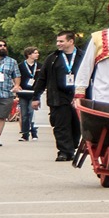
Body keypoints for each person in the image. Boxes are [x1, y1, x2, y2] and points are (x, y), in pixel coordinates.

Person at [32, 31, 85, 161]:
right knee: (61, 124)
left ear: (71, 41)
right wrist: (35, 97)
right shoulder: (52, 58)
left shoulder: (83, 57)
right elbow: (42, 78)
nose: (58, 44)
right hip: (58, 96)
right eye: (57, 41)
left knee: (76, 124)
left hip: (78, 95)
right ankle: (63, 151)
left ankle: (72, 147)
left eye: (61, 41)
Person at [16, 46, 40, 141]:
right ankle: (25, 134)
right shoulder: (20, 66)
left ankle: (34, 133)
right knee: (24, 114)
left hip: (34, 93)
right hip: (23, 93)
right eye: (35, 53)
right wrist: (17, 85)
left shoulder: (39, 66)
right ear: (28, 54)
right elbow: (16, 77)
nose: (37, 54)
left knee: (31, 113)